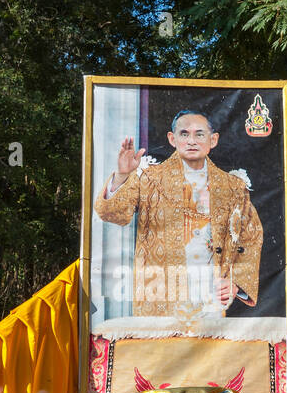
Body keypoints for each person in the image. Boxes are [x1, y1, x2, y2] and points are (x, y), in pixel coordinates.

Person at [95, 109, 263, 319]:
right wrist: (122, 175)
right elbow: (111, 213)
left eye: (199, 134)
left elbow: (251, 236)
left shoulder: (233, 187)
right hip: (160, 294)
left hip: (210, 294)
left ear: (213, 140)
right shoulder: (149, 179)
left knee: (210, 352)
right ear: (172, 139)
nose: (191, 140)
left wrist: (235, 283)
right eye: (184, 134)